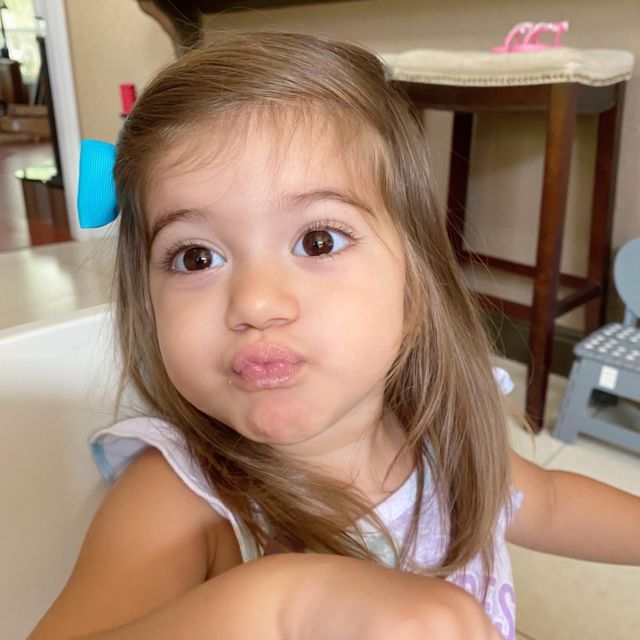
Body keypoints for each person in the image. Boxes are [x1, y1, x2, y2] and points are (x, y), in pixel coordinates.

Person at [29, 32, 639, 640]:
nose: (255, 303)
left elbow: (549, 503)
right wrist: (279, 606)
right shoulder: (178, 499)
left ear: (415, 282)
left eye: (317, 241)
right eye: (196, 257)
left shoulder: (437, 433)